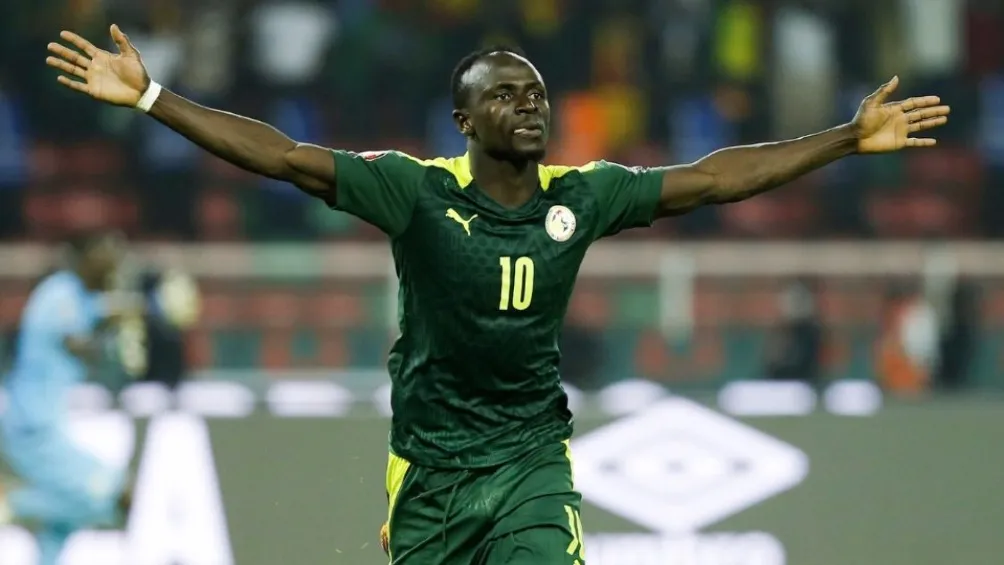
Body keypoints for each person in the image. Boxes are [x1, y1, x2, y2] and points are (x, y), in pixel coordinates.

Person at [43, 25, 949, 564]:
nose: (530, 105)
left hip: (529, 463)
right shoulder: (417, 191)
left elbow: (713, 178)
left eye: (538, 93)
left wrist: (842, 138)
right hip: (430, 474)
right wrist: (155, 95)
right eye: (506, 95)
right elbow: (281, 157)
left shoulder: (581, 197)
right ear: (465, 121)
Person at [0, 231, 137, 565]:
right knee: (111, 491)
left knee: (63, 521)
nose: (114, 263)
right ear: (86, 257)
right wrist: (118, 332)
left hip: (42, 419)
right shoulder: (59, 292)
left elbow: (105, 311)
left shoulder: (80, 296)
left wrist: (132, 315)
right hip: (31, 422)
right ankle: (12, 502)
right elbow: (78, 343)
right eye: (107, 253)